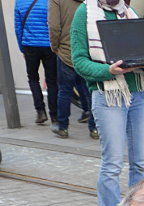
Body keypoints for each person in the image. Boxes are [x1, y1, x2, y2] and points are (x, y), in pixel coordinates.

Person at [70, 0, 144, 206]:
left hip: (139, 94)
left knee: (141, 164)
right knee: (112, 165)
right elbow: (79, 61)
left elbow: (143, 56)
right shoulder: (84, 13)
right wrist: (109, 70)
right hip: (108, 95)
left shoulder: (129, 13)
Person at [48, 0, 98, 139]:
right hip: (86, 52)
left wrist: (54, 47)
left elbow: (54, 26)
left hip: (66, 51)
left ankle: (62, 127)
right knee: (90, 92)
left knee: (64, 91)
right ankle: (94, 128)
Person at [14, 0, 58, 125]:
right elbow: (54, 24)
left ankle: (40, 111)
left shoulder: (19, 3)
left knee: (33, 79)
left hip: (30, 45)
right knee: (52, 81)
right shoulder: (49, 2)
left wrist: (22, 48)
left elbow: (18, 28)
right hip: (49, 46)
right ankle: (54, 115)